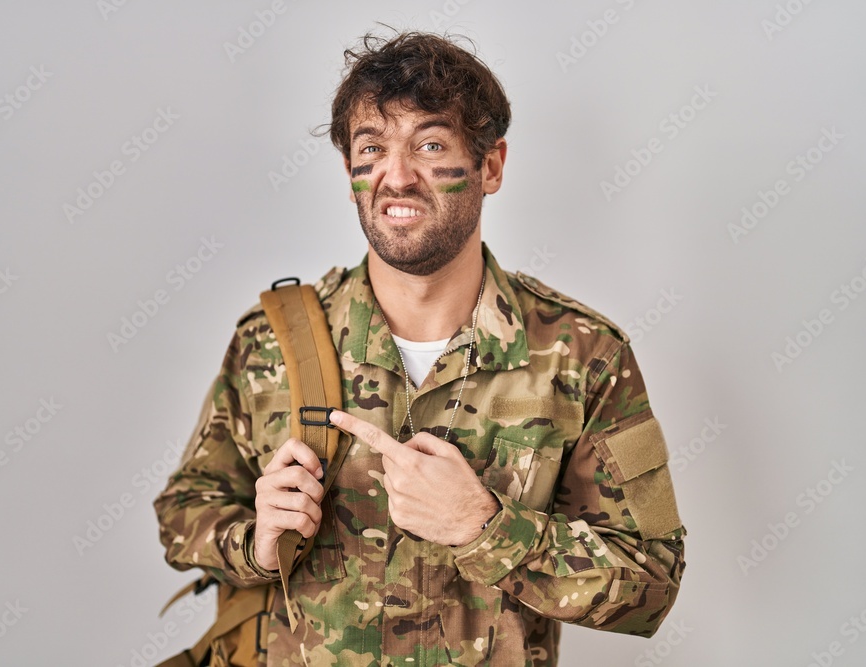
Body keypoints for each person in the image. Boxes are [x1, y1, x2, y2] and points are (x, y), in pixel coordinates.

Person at [154, 30, 686, 666]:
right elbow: (184, 511)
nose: (395, 176)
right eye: (371, 147)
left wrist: (485, 528)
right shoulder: (273, 340)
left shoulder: (582, 355)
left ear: (490, 166)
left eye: (430, 145)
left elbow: (653, 582)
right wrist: (254, 543)